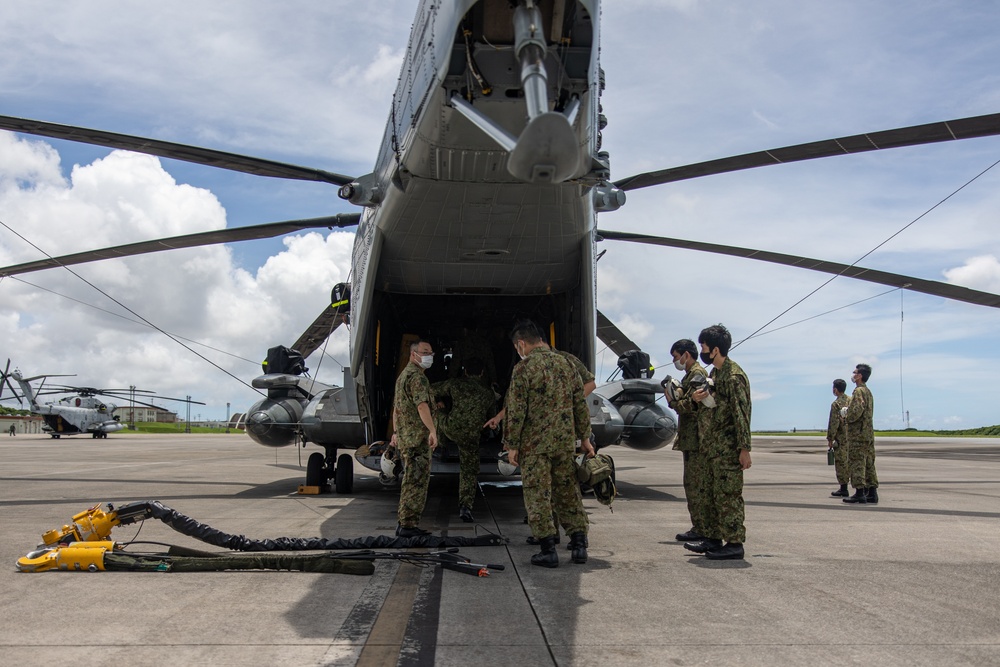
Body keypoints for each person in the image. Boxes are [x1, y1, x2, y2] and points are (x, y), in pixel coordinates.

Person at [504, 321, 595, 568]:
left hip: (535, 446)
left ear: (521, 344)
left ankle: (548, 549)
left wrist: (512, 444)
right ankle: (578, 546)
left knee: (538, 495)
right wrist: (585, 438)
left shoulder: (523, 369)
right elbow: (580, 405)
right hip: (564, 443)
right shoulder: (566, 363)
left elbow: (516, 410)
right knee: (568, 492)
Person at [685, 324, 752, 561]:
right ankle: (713, 538)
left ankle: (734, 543)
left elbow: (742, 414)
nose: (701, 350)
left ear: (714, 350)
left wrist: (744, 449)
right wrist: (695, 398)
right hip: (712, 447)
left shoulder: (734, 377)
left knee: (728, 496)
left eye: (703, 346)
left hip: (727, 449)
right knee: (711, 495)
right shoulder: (714, 375)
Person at [431, 358, 495, 522]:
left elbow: (430, 389)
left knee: (439, 414)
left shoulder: (455, 384)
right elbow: (492, 417)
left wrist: (438, 402)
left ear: (465, 371)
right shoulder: (488, 393)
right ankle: (465, 507)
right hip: (472, 435)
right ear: (482, 373)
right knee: (469, 471)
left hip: (451, 429)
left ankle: (441, 445)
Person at [391, 339, 439, 537]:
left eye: (431, 353)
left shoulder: (403, 376)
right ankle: (408, 526)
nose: (429, 356)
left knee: (411, 480)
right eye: (425, 352)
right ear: (414, 354)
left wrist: (395, 433)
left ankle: (405, 523)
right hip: (417, 439)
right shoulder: (417, 378)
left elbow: (396, 409)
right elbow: (422, 406)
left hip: (406, 438)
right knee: (416, 482)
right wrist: (433, 430)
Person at [664, 339, 710, 542]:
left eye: (676, 357)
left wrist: (673, 401)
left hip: (696, 440)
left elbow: (692, 405)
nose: (676, 361)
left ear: (686, 355)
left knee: (695, 485)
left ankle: (702, 528)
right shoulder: (690, 376)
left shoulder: (698, 374)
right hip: (691, 439)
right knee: (692, 485)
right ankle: (699, 526)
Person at [843, 363, 878, 505]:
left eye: (855, 372)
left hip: (858, 434)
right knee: (869, 463)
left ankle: (859, 492)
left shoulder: (858, 391)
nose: (853, 374)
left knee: (857, 462)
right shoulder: (868, 392)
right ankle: (872, 493)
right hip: (867, 433)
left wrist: (846, 416)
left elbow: (856, 411)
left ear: (860, 376)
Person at [827, 379, 850, 497]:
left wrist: (830, 438)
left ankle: (843, 488)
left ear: (835, 389)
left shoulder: (836, 404)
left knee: (841, 463)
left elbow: (833, 422)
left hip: (841, 439)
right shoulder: (851, 400)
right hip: (851, 437)